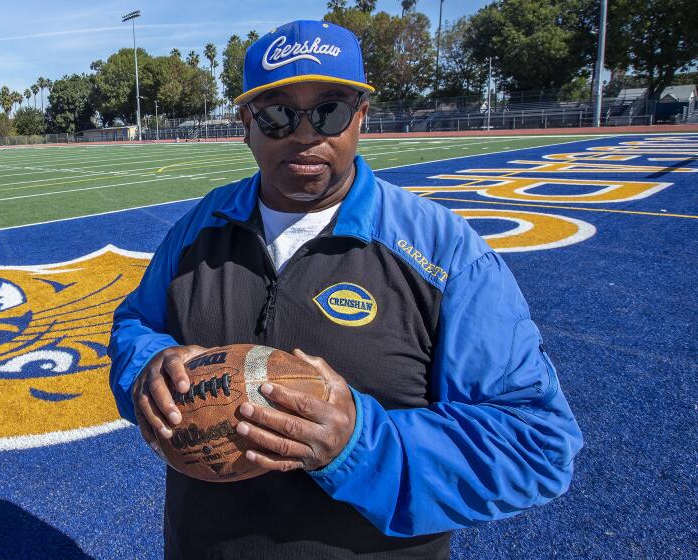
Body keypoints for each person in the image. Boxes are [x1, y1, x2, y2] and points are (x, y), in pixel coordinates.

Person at [109, 20, 583, 560]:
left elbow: (537, 444)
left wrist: (358, 444)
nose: (305, 134)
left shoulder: (444, 251)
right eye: (278, 112)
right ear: (246, 124)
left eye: (330, 110)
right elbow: (137, 324)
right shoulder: (199, 228)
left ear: (361, 117)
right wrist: (146, 367)